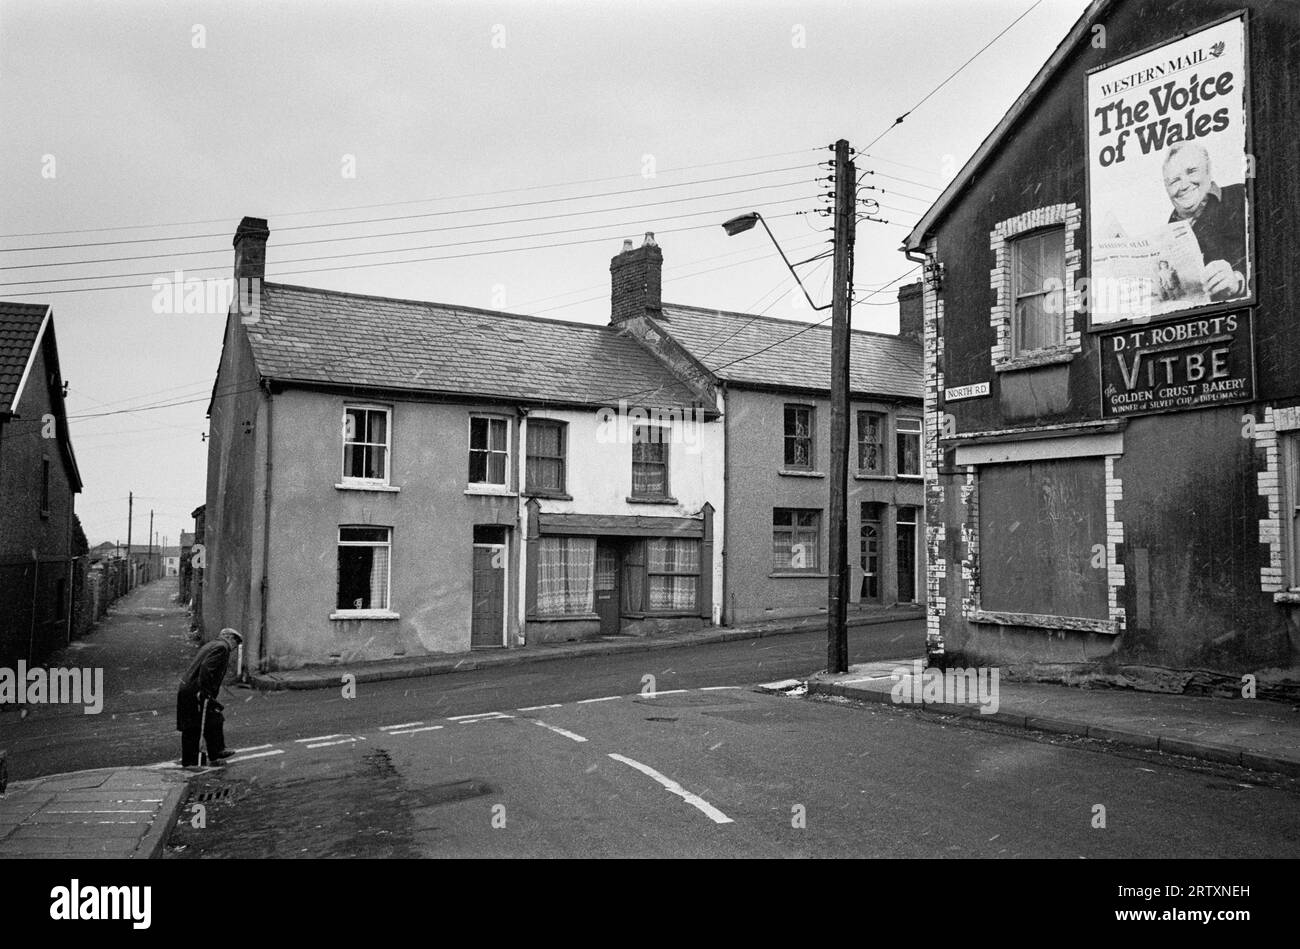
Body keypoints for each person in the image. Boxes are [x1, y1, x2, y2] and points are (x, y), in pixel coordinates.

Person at [1161, 142, 1249, 302]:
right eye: (1174, 181)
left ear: (1208, 173)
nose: (1183, 185)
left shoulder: (1242, 197)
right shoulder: (1166, 233)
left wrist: (1239, 282)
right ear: (1166, 189)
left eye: (1192, 172)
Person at [176, 628, 241, 766]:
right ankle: (207, 754)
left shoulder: (211, 645)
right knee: (203, 722)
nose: (236, 646)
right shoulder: (222, 647)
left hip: (188, 688)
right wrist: (205, 692)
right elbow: (207, 668)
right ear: (228, 637)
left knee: (200, 723)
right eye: (236, 640)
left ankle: (202, 755)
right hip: (197, 690)